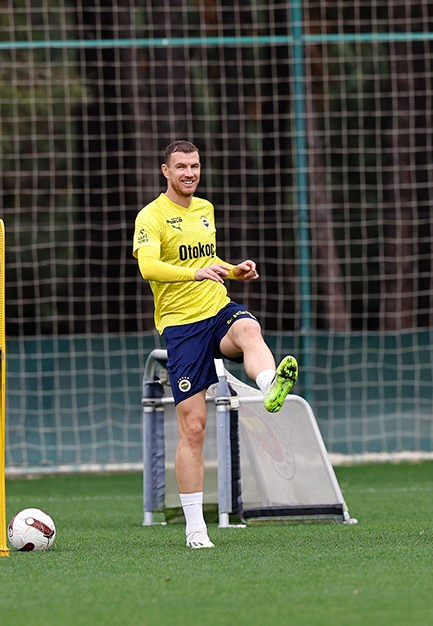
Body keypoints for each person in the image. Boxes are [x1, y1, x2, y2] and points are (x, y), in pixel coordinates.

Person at [133, 140, 298, 549]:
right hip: (181, 327)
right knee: (193, 427)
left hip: (216, 309)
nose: (190, 173)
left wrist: (235, 271)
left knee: (249, 329)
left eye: (195, 166)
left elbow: (207, 262)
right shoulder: (151, 216)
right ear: (166, 171)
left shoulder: (205, 209)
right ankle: (195, 528)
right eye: (181, 167)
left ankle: (269, 387)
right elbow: (148, 266)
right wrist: (195, 274)